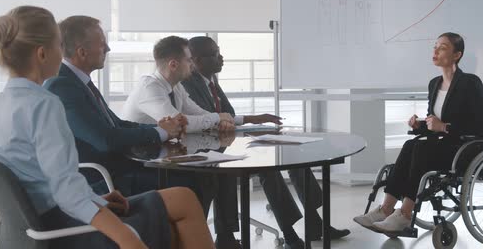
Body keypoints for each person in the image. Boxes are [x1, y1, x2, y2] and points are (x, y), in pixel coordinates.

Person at [0, 5, 214, 249]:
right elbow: (66, 190)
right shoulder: (44, 104)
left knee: (182, 201)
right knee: (183, 206)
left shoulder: (1, 103)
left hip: (41, 224)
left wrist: (95, 198)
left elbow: (40, 179)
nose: (63, 53)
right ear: (42, 54)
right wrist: (126, 236)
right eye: (59, 45)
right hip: (66, 227)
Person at [43, 17, 227, 246]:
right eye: (102, 43)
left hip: (116, 168)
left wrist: (159, 129)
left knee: (199, 178)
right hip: (100, 179)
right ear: (81, 52)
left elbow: (117, 124)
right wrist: (161, 132)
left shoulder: (78, 81)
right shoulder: (63, 85)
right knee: (192, 181)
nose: (108, 49)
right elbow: (106, 139)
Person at [182, 36, 351, 247]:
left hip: (227, 143)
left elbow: (229, 113)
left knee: (293, 156)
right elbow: (207, 119)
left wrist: (256, 119)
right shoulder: (187, 84)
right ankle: (290, 235)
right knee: (269, 170)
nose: (222, 58)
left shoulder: (211, 80)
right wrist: (233, 120)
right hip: (209, 150)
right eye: (215, 54)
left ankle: (315, 222)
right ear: (197, 60)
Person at [353, 32, 483, 233]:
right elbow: (433, 121)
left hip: (462, 148)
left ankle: (405, 214)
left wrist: (444, 127)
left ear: (457, 55)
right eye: (435, 46)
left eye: (442, 47)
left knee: (420, 148)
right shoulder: (434, 83)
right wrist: (420, 125)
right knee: (411, 144)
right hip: (439, 144)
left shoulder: (470, 83)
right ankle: (386, 209)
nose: (435, 51)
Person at [121, 36, 242, 248]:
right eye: (188, 60)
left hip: (167, 155)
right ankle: (191, 240)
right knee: (202, 180)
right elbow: (180, 123)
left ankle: (211, 239)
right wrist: (218, 118)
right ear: (173, 64)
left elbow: (198, 114)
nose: (192, 64)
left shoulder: (175, 86)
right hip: (142, 161)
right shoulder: (150, 86)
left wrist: (220, 118)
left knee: (218, 173)